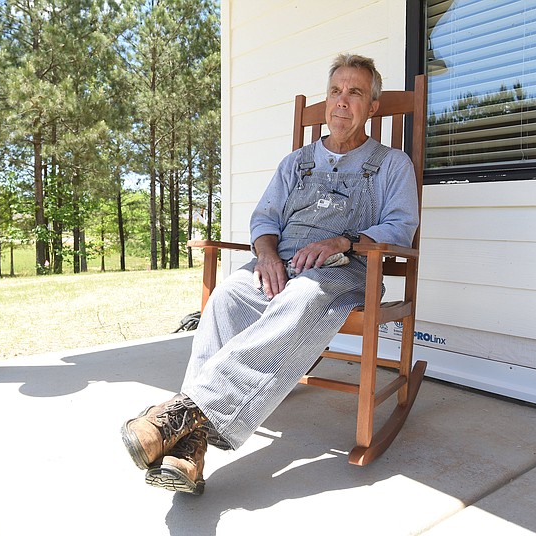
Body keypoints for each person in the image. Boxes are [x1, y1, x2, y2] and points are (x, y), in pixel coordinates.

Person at [121, 53, 419, 495]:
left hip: (347, 269)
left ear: (371, 107)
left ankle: (181, 416)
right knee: (226, 296)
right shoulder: (295, 161)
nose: (342, 101)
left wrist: (342, 242)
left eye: (355, 92)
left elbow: (400, 227)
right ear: (325, 101)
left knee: (302, 298)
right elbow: (264, 220)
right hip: (282, 263)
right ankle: (190, 447)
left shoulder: (392, 164)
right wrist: (265, 255)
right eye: (335, 91)